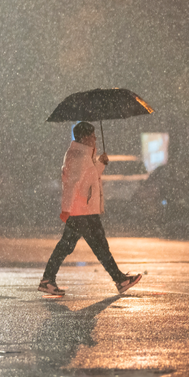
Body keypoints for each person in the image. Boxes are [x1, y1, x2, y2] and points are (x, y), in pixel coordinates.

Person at [38, 121, 142, 296]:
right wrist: (66, 210)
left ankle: (47, 280)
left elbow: (89, 181)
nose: (95, 139)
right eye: (92, 136)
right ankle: (119, 279)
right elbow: (72, 184)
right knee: (97, 245)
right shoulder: (79, 156)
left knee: (72, 245)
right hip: (82, 212)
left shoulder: (83, 155)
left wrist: (100, 163)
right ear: (85, 137)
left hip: (84, 210)